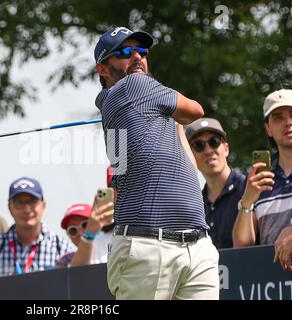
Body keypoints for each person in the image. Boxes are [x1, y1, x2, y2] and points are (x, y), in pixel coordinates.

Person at [94, 26, 219, 300]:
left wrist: (166, 114)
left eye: (142, 51)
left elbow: (186, 162)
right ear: (102, 69)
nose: (137, 57)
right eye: (125, 52)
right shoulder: (134, 85)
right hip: (149, 244)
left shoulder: (110, 103)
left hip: (194, 242)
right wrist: (170, 110)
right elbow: (195, 111)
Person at [0, 177, 75, 279]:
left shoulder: (61, 247)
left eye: (32, 201)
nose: (27, 209)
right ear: (10, 208)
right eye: (19, 203)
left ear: (43, 206)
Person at [233, 89, 292, 247]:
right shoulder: (259, 177)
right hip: (270, 271)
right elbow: (242, 246)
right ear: (268, 128)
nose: (288, 122)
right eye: (278, 117)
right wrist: (247, 201)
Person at [185, 118, 246, 249]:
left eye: (214, 142)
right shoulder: (194, 203)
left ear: (226, 148)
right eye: (199, 145)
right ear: (190, 155)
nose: (208, 151)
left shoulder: (249, 188)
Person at [56, 201, 113, 268]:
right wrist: (88, 236)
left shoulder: (113, 247)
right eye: (73, 230)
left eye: (85, 225)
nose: (80, 233)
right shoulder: (64, 260)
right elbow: (75, 274)